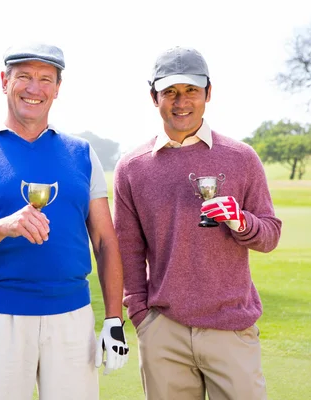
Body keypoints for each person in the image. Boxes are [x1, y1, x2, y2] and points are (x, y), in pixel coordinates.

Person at [0, 42, 129, 400]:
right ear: (4, 81)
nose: (34, 88)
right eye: (23, 76)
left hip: (72, 316)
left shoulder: (82, 153)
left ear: (57, 88)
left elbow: (105, 241)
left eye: (45, 79)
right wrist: (3, 226)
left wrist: (114, 320)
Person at [113, 46, 282, 400]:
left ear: (208, 93)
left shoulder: (241, 157)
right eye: (170, 92)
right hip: (164, 331)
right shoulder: (132, 167)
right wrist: (142, 315)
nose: (181, 101)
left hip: (231, 330)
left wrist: (241, 221)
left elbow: (269, 236)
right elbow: (128, 249)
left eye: (191, 90)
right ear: (153, 97)